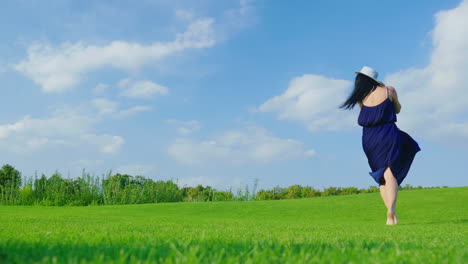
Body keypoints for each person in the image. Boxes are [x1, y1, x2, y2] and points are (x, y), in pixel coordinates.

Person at [339, 66, 421, 225]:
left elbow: (367, 113)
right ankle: (391, 211)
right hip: (388, 133)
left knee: (382, 176)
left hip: (369, 139)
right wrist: (386, 90)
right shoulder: (388, 90)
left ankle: (391, 216)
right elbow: (397, 109)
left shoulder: (361, 98)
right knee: (390, 172)